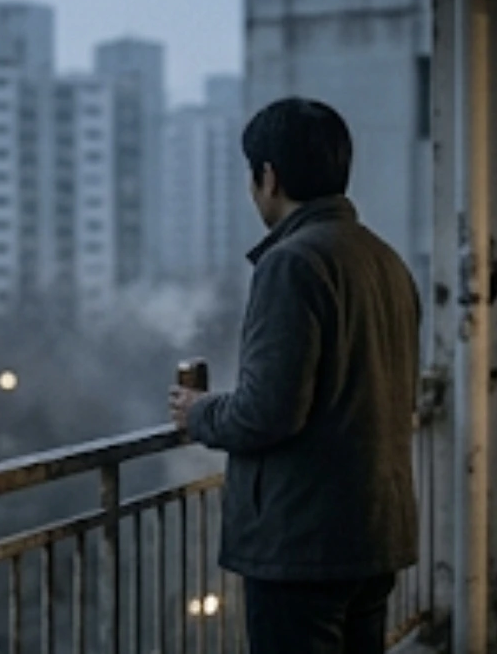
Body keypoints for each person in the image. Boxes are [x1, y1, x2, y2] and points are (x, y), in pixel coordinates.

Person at [168, 97, 420, 654]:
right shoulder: (386, 262)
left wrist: (198, 412)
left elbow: (269, 410)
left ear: (269, 177)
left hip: (303, 544)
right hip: (374, 530)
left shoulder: (291, 263)